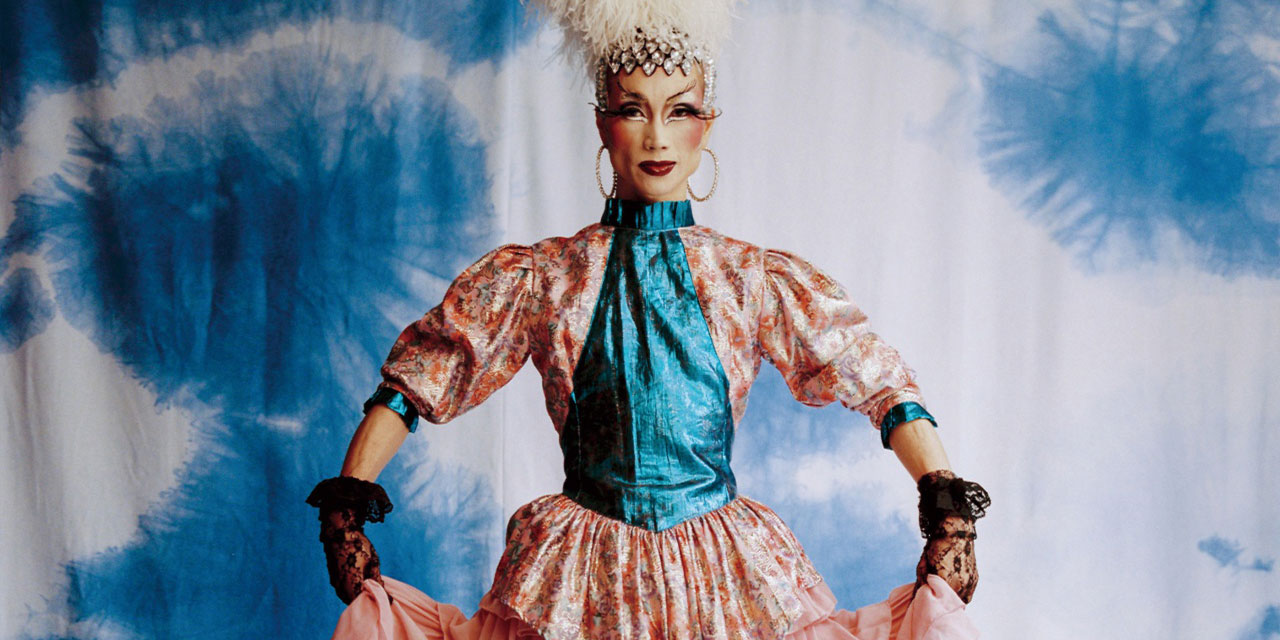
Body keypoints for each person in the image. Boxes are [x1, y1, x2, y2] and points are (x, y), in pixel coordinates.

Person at [305, 3, 990, 638]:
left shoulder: (749, 277)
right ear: (602, 123)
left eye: (680, 110)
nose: (658, 136)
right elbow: (423, 375)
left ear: (707, 124)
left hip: (722, 572)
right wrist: (346, 506)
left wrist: (948, 509)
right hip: (581, 571)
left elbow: (880, 381)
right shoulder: (544, 277)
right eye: (633, 110)